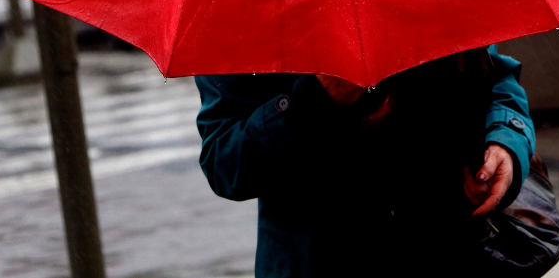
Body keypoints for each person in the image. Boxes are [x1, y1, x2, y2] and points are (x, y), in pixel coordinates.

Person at [194, 45, 536, 278]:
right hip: (319, 263)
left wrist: (505, 142)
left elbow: (492, 78)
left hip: (447, 251)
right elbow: (225, 162)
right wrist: (311, 100)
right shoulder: (246, 5)